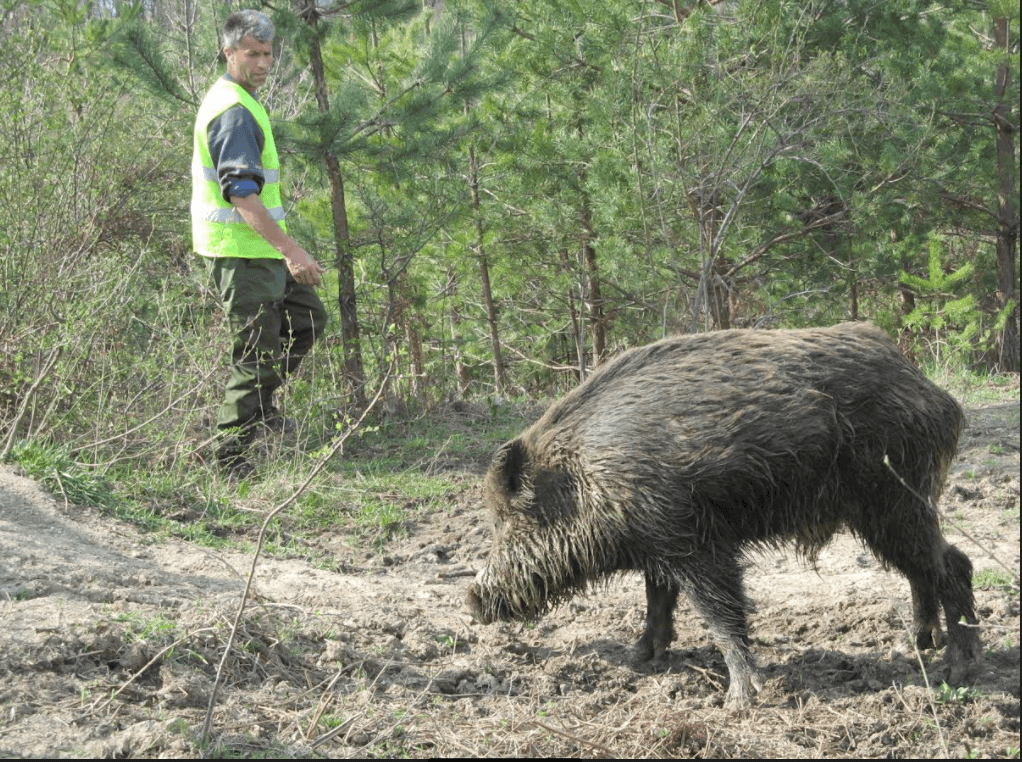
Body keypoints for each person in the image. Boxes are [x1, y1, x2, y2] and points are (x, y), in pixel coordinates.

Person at [191, 9, 328, 478]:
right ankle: (228, 464)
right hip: (241, 252)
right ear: (229, 52)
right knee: (253, 359)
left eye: (268, 53)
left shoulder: (243, 100)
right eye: (252, 53)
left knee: (308, 319)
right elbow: (241, 193)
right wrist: (293, 250)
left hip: (258, 251)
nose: (263, 63)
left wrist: (283, 250)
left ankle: (261, 409)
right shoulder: (232, 111)